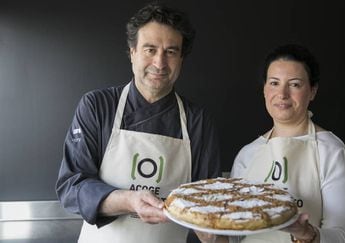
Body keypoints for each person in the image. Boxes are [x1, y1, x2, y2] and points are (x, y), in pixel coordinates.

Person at [55, 2, 221, 243]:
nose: (160, 63)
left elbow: (207, 205)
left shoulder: (197, 120)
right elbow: (71, 186)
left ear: (182, 59)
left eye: (171, 52)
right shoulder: (98, 106)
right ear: (132, 52)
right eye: (150, 49)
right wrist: (127, 200)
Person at [197, 44, 345, 243]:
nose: (282, 94)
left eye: (294, 84)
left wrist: (308, 234)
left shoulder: (332, 151)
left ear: (312, 91)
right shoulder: (248, 155)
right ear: (265, 90)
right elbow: (235, 237)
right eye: (274, 83)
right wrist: (212, 238)